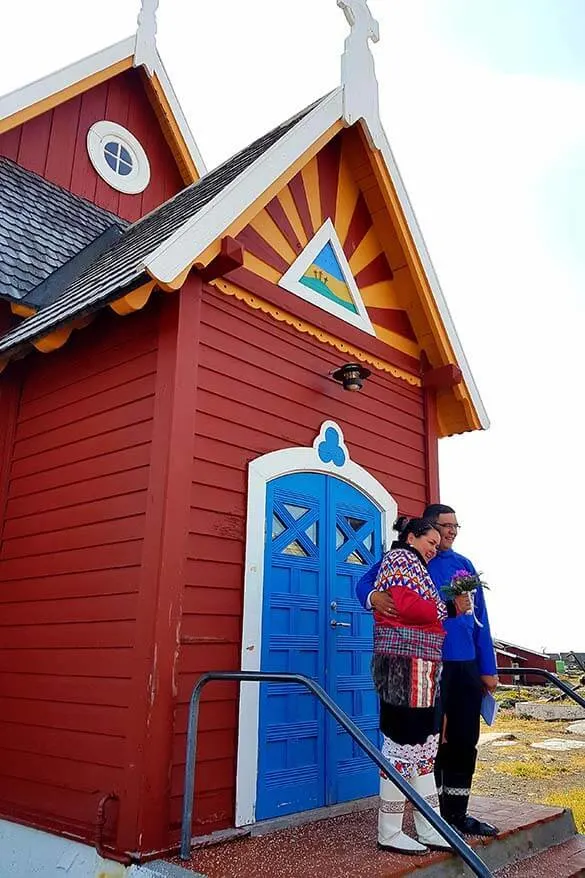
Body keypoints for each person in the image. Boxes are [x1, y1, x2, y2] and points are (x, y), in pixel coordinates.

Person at [356, 503, 498, 838]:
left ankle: (456, 814)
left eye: (455, 526)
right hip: (421, 664)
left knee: (464, 738)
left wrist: (487, 667)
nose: (450, 532)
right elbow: (365, 584)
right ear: (427, 528)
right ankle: (427, 818)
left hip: (464, 664)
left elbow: (481, 620)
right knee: (428, 740)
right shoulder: (408, 559)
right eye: (444, 526)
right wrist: (374, 596)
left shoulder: (463, 566)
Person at [369, 516, 451, 855]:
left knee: (422, 745)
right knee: (403, 742)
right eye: (431, 542)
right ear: (412, 537)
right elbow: (409, 606)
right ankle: (388, 832)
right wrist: (446, 607)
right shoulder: (401, 560)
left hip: (420, 666)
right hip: (404, 666)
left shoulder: (414, 562)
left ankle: (429, 826)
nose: (435, 548)